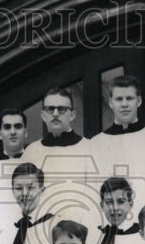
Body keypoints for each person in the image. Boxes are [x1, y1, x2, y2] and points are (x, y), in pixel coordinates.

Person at [22, 87, 100, 223]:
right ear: (43, 115)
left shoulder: (90, 148)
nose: (56, 114)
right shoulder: (31, 151)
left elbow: (96, 195)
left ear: (72, 115)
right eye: (50, 109)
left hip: (78, 226)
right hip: (39, 225)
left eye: (62, 109)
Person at [89, 75, 145, 189]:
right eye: (119, 99)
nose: (124, 104)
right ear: (110, 102)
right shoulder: (96, 144)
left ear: (139, 101)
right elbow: (93, 187)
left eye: (129, 98)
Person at [0, 162, 59, 244]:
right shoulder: (8, 233)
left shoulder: (55, 227)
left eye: (31, 187)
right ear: (12, 191)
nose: (24, 193)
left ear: (42, 190)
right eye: (18, 188)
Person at [88, 176, 145, 244]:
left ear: (130, 204)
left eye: (121, 202)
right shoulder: (94, 235)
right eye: (109, 202)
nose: (114, 208)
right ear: (102, 205)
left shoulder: (141, 237)